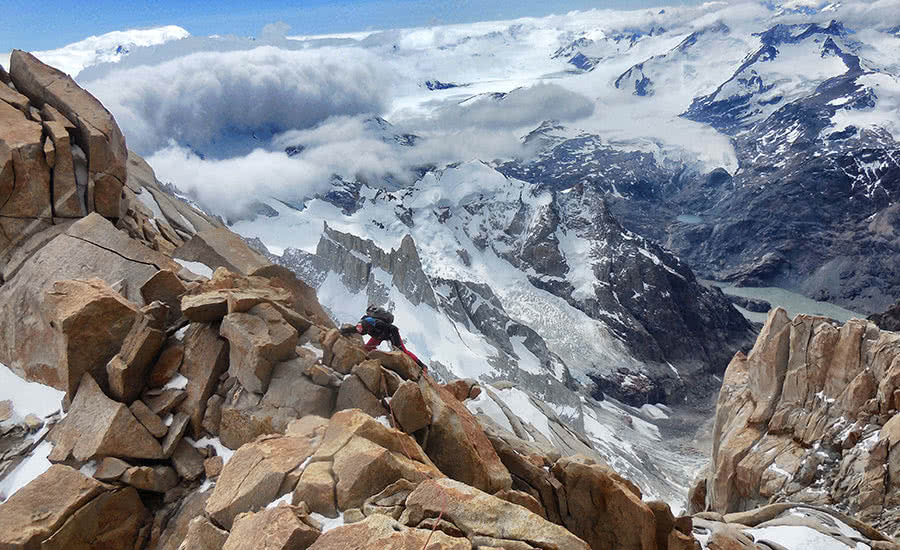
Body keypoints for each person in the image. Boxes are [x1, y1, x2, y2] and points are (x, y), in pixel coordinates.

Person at [340, 305, 427, 371]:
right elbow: (354, 329)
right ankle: (371, 362)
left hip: (390, 333)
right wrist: (343, 331)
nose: (361, 332)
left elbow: (392, 328)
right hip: (379, 335)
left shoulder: (374, 323)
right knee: (367, 348)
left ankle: (421, 365)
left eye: (361, 331)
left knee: (402, 351)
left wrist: (396, 343)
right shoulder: (362, 326)